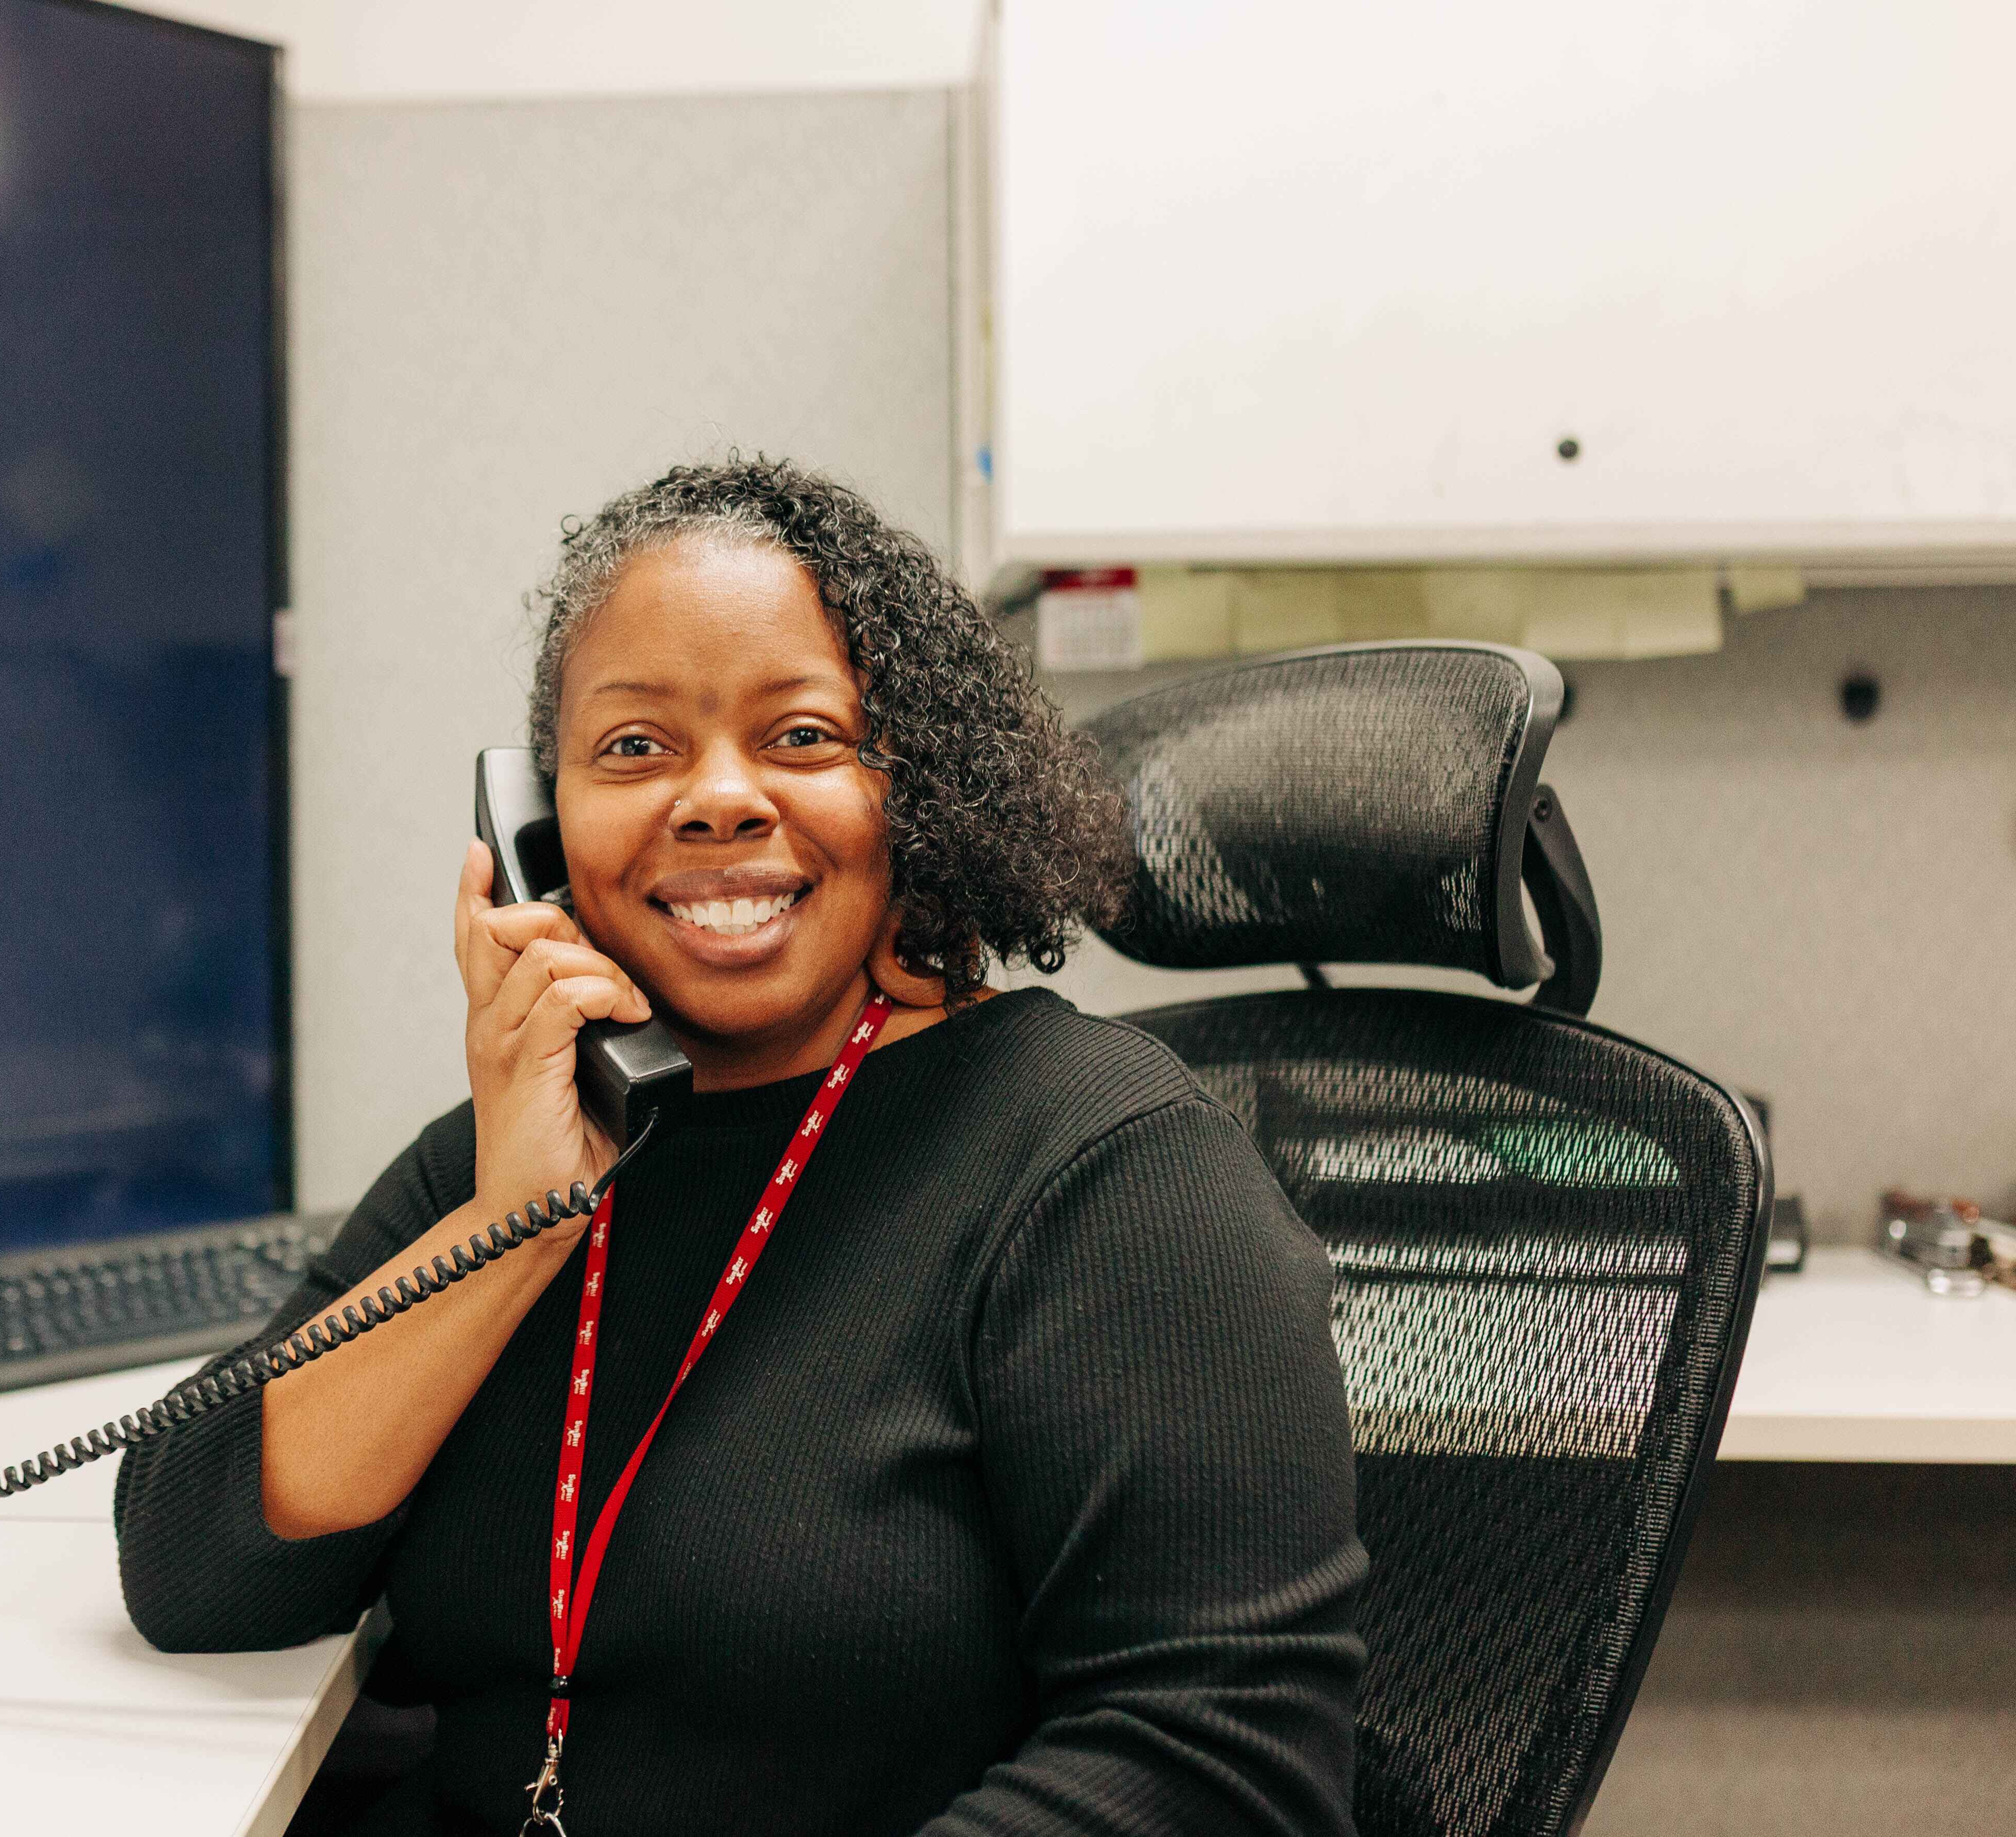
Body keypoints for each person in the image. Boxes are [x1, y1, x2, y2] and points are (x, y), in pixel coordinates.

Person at [115, 457, 1364, 1836]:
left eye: (802, 738)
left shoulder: (1107, 1170)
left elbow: (1224, 1768)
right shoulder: (513, 1155)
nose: (716, 800)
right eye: (634, 749)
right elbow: (195, 1571)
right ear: (537, 833)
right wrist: (515, 1220)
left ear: (921, 793)